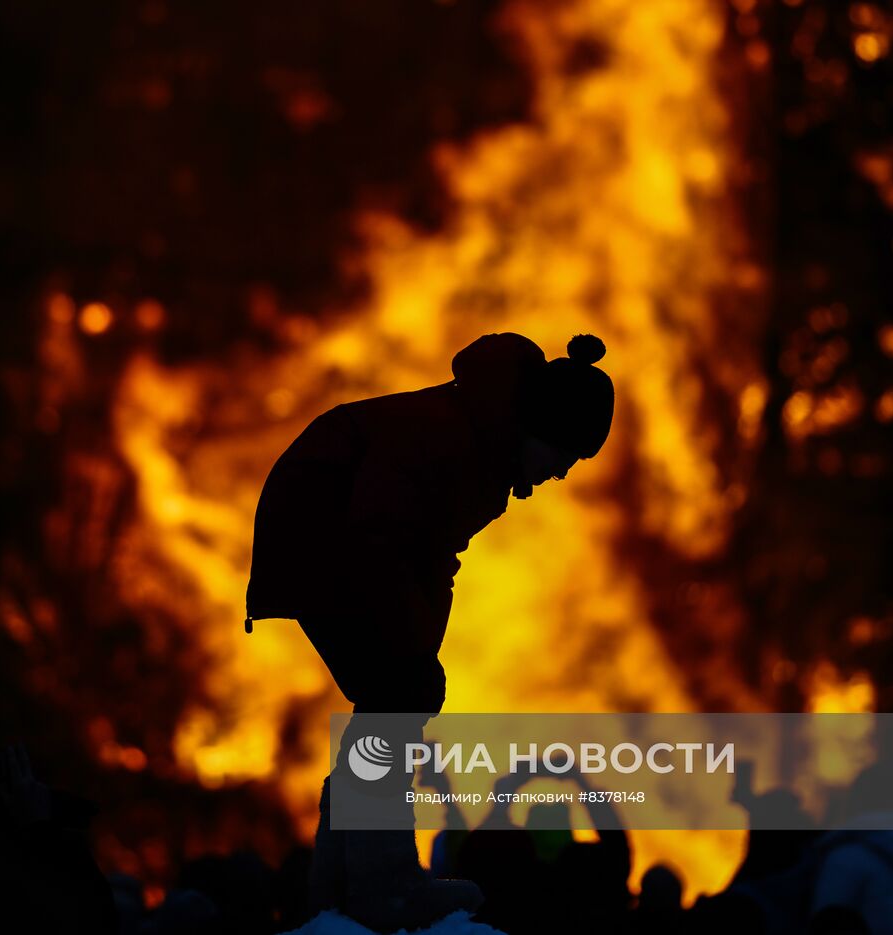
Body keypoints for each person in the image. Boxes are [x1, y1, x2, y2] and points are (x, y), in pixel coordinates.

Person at [244, 332, 615, 932]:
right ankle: (380, 884)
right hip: (320, 534)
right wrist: (410, 653)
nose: (561, 474)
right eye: (564, 456)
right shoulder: (449, 440)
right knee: (394, 699)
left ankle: (341, 884)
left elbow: (434, 560)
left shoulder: (484, 455)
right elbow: (379, 539)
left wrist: (422, 651)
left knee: (391, 699)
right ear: (539, 431)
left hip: (345, 543)